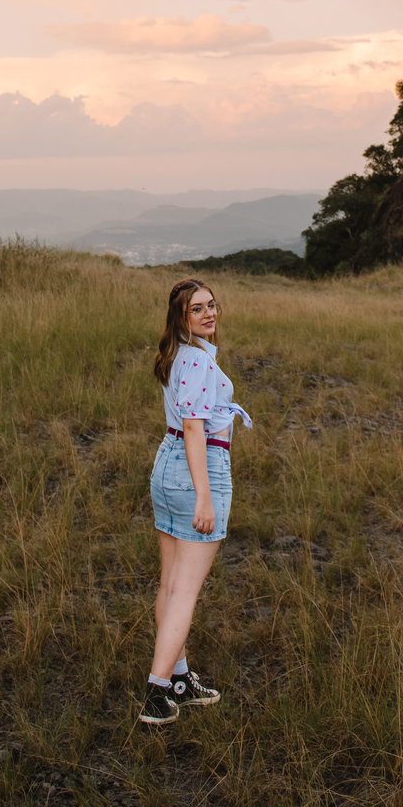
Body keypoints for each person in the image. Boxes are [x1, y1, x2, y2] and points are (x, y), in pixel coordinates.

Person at [140, 278, 253, 725]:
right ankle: (156, 693)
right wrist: (205, 497)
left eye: (211, 305)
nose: (209, 314)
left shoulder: (178, 354)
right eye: (197, 309)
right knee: (185, 590)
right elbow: (193, 428)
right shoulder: (197, 360)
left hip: (168, 466)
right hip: (198, 469)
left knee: (171, 584)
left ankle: (180, 680)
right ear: (181, 317)